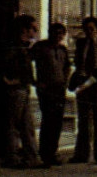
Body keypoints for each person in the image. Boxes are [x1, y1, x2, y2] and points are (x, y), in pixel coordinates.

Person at [0, 13, 41, 168]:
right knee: (14, 124)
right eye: (33, 29)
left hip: (22, 87)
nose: (35, 32)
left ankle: (31, 156)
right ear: (24, 29)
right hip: (16, 87)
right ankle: (14, 156)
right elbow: (9, 66)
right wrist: (11, 79)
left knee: (26, 124)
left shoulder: (23, 47)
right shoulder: (14, 47)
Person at [30, 22, 72, 168]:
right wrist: (35, 82)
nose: (58, 36)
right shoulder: (40, 47)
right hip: (46, 89)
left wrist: (65, 81)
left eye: (61, 33)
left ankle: (53, 152)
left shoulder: (63, 49)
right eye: (55, 33)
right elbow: (27, 63)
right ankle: (45, 154)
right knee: (48, 120)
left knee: (57, 121)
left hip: (59, 89)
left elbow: (67, 66)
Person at [69, 16, 97, 164]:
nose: (89, 32)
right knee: (83, 121)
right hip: (83, 85)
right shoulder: (81, 43)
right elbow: (77, 62)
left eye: (91, 29)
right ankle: (82, 154)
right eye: (86, 29)